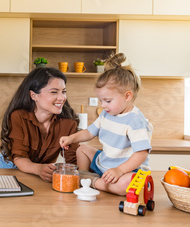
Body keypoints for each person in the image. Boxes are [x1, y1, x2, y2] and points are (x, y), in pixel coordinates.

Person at [60, 53, 153, 196]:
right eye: (101, 100)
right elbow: (89, 132)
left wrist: (119, 170)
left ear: (127, 96)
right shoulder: (107, 114)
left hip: (126, 170)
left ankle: (90, 182)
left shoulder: (135, 121)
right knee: (82, 149)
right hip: (105, 163)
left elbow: (141, 154)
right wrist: (71, 138)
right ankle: (85, 174)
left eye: (107, 101)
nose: (103, 105)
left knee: (128, 184)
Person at [0, 67, 80, 183]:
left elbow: (73, 159)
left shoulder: (68, 122)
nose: (62, 98)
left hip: (41, 171)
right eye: (54, 92)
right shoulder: (18, 116)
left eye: (64, 91)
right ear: (33, 95)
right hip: (11, 167)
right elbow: (19, 157)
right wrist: (39, 169)